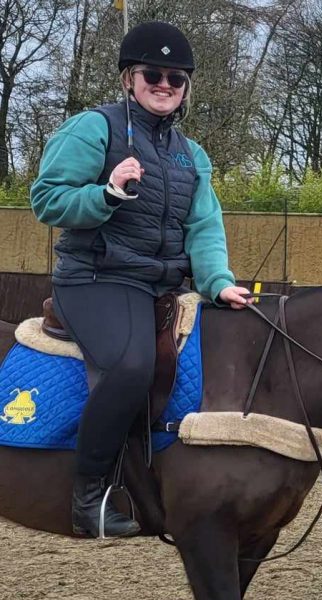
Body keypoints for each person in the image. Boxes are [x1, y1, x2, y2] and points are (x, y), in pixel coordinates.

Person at [30, 21, 251, 538]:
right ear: (131, 78)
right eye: (154, 73)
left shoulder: (191, 155)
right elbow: (47, 199)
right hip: (96, 278)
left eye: (176, 77)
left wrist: (218, 281)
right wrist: (107, 193)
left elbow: (204, 226)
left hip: (164, 284)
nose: (165, 83)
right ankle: (88, 496)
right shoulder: (93, 129)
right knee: (132, 366)